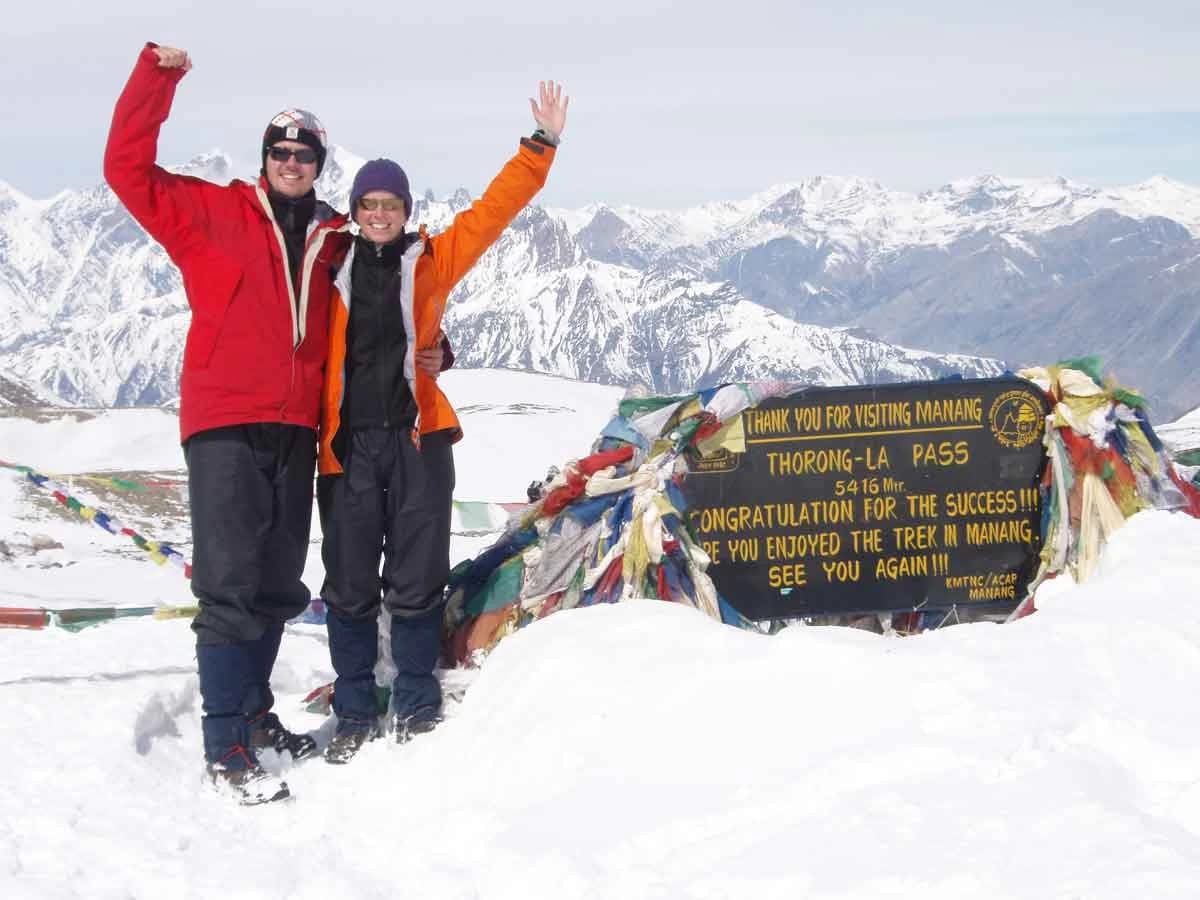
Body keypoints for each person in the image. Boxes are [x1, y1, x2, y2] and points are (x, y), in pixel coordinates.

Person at [103, 43, 447, 803]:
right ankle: (224, 742)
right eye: (280, 151)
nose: (292, 162)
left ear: (319, 164)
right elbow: (125, 170)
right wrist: (157, 77)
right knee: (229, 583)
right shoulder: (210, 213)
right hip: (225, 422)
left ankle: (255, 715)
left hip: (300, 431)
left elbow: (383, 304)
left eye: (305, 154)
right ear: (264, 158)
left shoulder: (334, 239)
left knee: (276, 583)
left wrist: (434, 347)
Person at [316, 81, 569, 763]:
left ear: (407, 211)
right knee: (348, 583)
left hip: (418, 443)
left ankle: (418, 700)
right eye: (368, 204)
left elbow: (492, 213)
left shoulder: (429, 261)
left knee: (417, 577)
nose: (379, 214)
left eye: (390, 204)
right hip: (345, 449)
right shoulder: (327, 265)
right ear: (354, 211)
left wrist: (541, 145)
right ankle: (354, 709)